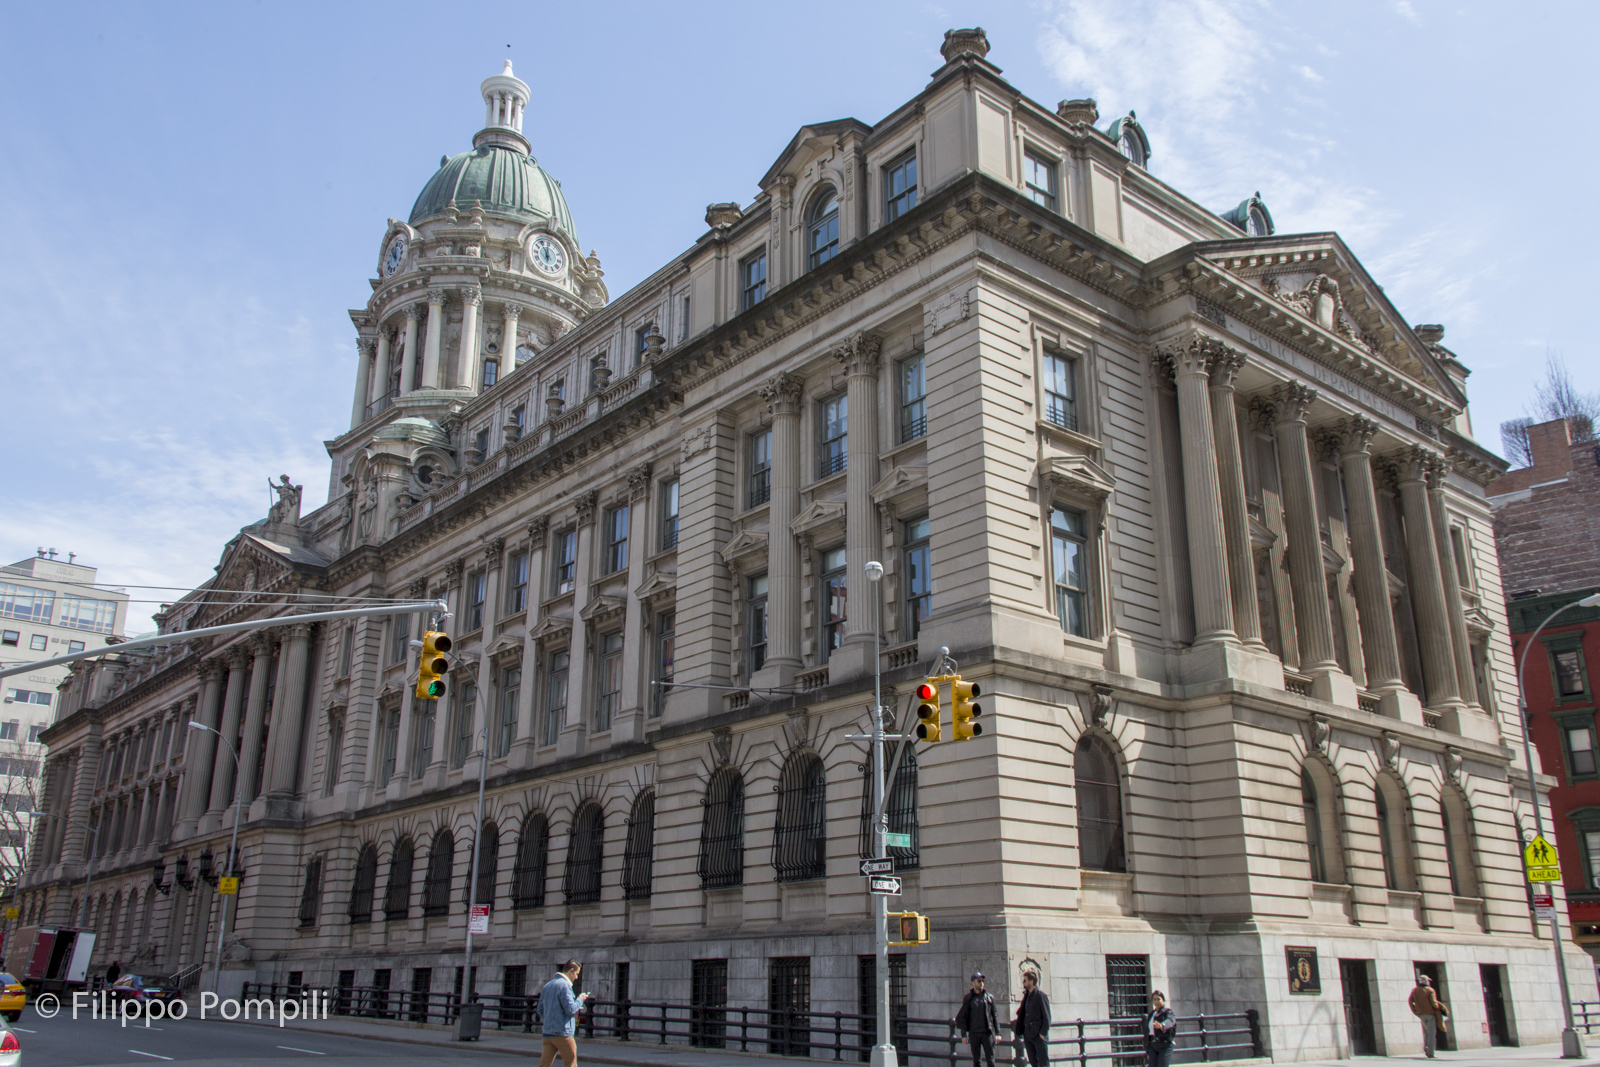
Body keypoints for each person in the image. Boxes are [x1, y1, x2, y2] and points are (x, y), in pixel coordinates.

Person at [539, 958, 592, 1067]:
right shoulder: (565, 986)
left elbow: (540, 1010)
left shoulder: (548, 985)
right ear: (571, 971)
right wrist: (580, 999)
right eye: (576, 974)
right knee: (571, 1064)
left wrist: (551, 1019)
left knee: (544, 1065)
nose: (576, 977)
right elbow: (571, 1009)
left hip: (548, 1033)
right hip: (563, 1033)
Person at [956, 972, 1001, 1067]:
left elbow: (995, 1016)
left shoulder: (989, 997)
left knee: (991, 1061)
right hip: (974, 1033)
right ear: (973, 983)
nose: (981, 983)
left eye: (982, 981)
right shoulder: (968, 998)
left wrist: (998, 1033)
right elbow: (963, 1017)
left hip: (987, 1033)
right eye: (979, 981)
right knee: (976, 1061)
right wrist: (963, 1035)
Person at [1014, 970, 1052, 1067]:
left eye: (1025, 981)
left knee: (1043, 1063)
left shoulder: (1040, 996)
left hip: (1038, 1036)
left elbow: (1047, 1017)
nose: (1023, 982)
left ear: (1031, 982)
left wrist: (1043, 1034)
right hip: (1028, 1035)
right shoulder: (1027, 995)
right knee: (1034, 1063)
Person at [1406, 974, 1448, 1059]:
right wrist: (1439, 1008)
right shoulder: (1430, 990)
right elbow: (1434, 1003)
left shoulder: (1415, 990)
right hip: (1430, 1014)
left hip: (1421, 1015)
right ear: (1426, 981)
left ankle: (1426, 1048)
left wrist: (1416, 1011)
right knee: (1432, 1033)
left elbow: (1410, 1001)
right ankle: (1431, 1052)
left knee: (1426, 1032)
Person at [1143, 991, 1176, 1067]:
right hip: (1153, 1045)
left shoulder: (1168, 1012)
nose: (1156, 1001)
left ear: (1163, 1001)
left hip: (1164, 1044)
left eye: (1158, 999)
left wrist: (1162, 1026)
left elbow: (1170, 1021)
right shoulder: (1151, 1014)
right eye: (1154, 999)